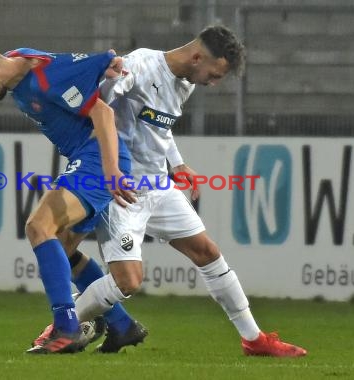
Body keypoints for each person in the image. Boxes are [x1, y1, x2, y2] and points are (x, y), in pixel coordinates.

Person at [34, 25, 307, 357]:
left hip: (158, 185)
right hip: (124, 188)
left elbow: (159, 126)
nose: (214, 82)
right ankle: (64, 326)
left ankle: (254, 339)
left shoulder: (185, 83)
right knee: (128, 281)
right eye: (214, 73)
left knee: (207, 252)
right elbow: (99, 104)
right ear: (196, 57)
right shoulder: (140, 65)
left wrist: (177, 164)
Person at [0, 40, 140, 354]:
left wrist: (112, 170)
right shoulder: (15, 61)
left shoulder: (50, 81)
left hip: (95, 159)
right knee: (62, 247)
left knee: (38, 226)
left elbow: (103, 114)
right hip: (83, 157)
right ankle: (121, 324)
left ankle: (66, 325)